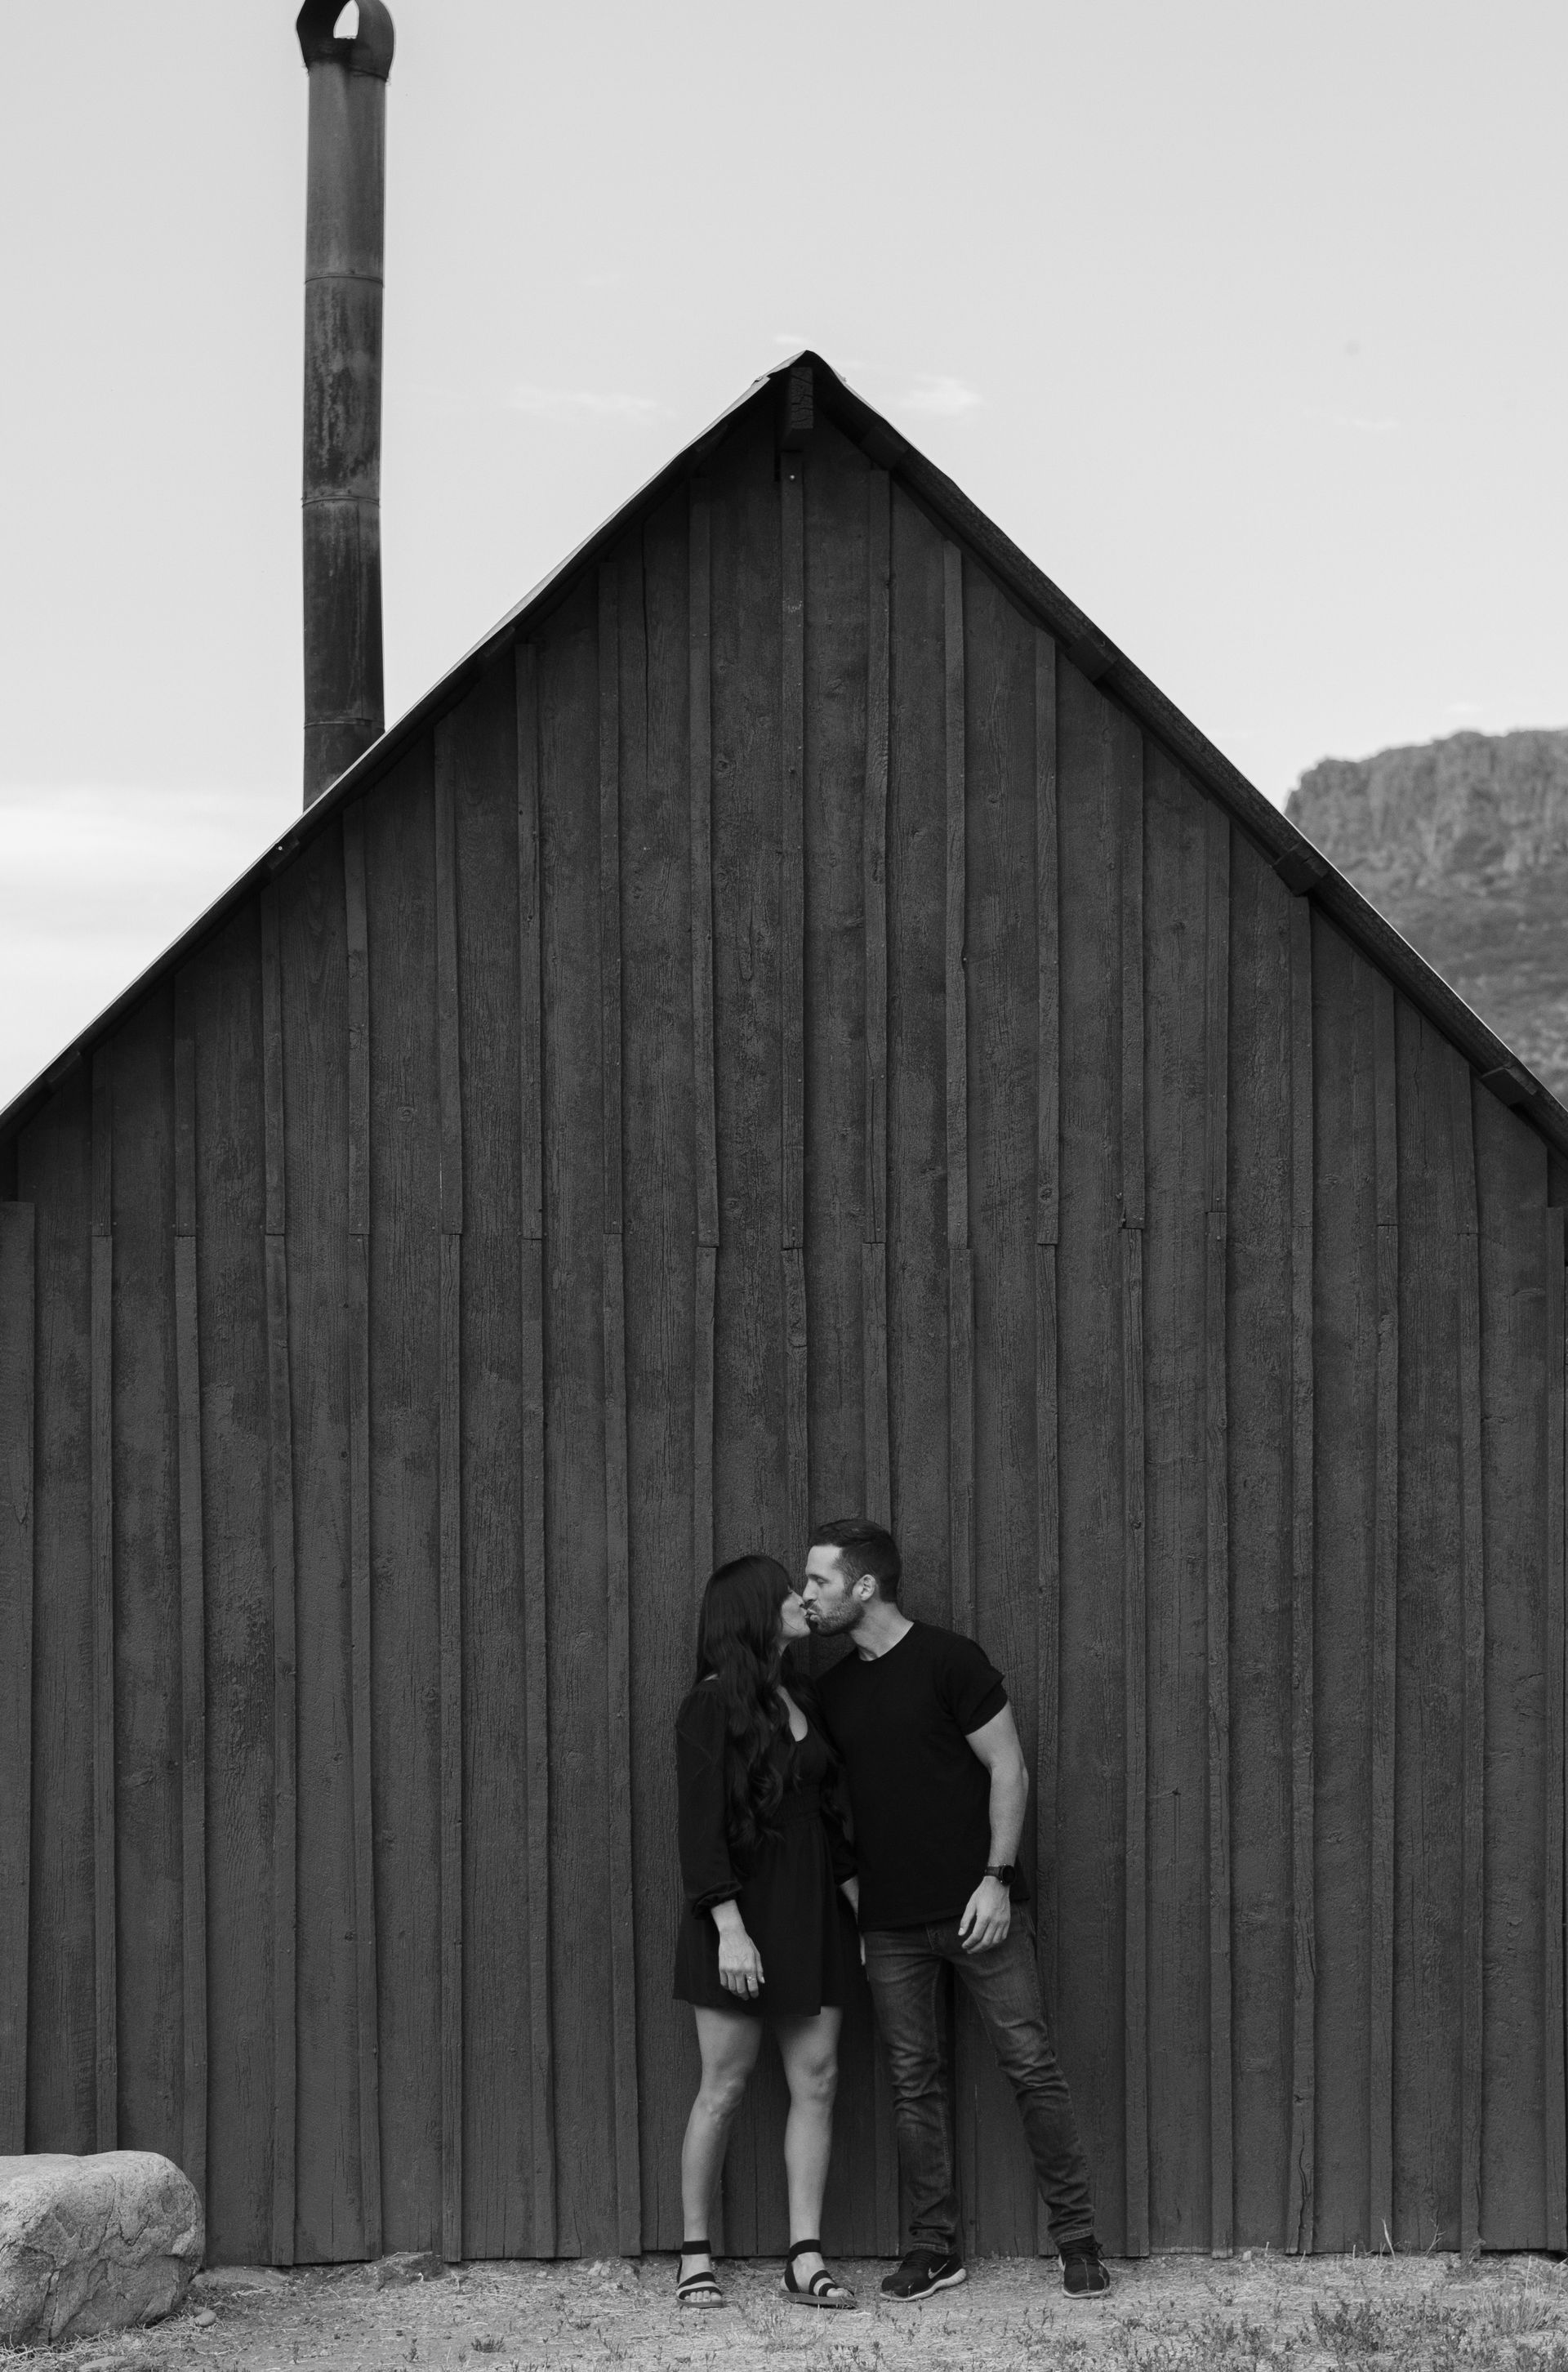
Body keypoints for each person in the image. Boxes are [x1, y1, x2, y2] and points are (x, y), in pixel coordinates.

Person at [802, 1517, 1110, 2303]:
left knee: (1031, 2066)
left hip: (982, 1911)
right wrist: (864, 1911)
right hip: (892, 1925)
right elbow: (833, 1811)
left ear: (864, 1586)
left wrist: (997, 1879)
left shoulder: (950, 1660)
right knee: (915, 2084)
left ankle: (1079, 2242)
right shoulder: (832, 1691)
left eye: (818, 1581)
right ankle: (935, 2250)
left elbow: (1009, 1767)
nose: (807, 1596)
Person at [673, 1554, 861, 2312]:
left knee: (817, 2082)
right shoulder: (709, 1706)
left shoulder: (800, 1693)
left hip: (814, 1911)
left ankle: (804, 2255)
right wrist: (729, 1928)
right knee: (724, 2087)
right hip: (738, 1916)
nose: (800, 1599)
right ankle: (694, 2255)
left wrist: (862, 1916)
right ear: (752, 1611)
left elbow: (831, 1819)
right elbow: (699, 1830)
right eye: (788, 1590)